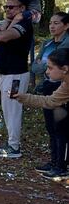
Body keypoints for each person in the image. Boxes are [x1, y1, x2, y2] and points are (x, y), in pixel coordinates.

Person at [0, 0, 33, 158]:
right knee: (8, 109)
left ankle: (14, 146)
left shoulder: (24, 24)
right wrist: (2, 27)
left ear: (22, 8)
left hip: (16, 74)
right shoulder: (11, 23)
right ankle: (11, 142)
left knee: (13, 110)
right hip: (6, 73)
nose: (8, 10)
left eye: (12, 7)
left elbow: (1, 36)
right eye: (6, 7)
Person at [25, 13, 69, 175]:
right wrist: (48, 67)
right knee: (51, 126)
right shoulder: (47, 43)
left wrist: (44, 65)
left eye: (56, 23)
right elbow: (35, 67)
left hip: (63, 89)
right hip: (47, 86)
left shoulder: (67, 44)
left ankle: (62, 165)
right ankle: (53, 161)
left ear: (66, 26)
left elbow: (52, 66)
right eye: (50, 23)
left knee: (61, 128)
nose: (52, 26)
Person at [15, 48, 69, 180]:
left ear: (65, 69)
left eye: (50, 68)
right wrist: (25, 97)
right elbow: (50, 101)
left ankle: (62, 167)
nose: (47, 72)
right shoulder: (65, 84)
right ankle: (59, 164)